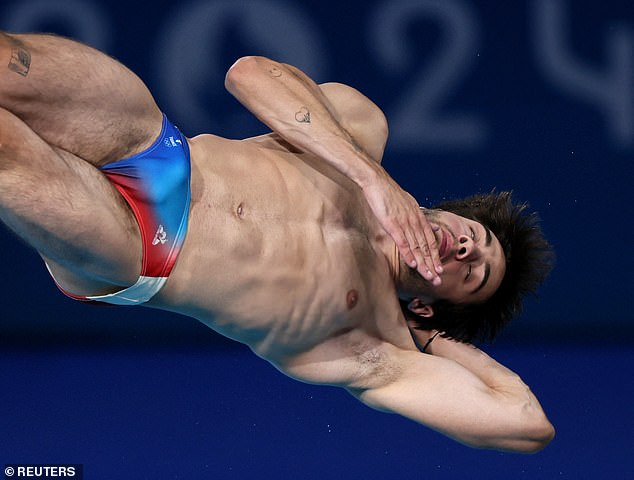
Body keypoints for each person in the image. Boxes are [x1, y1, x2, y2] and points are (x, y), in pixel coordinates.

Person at [0, 32, 555, 452]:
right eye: (476, 238)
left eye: (475, 273)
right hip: (157, 146)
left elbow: (526, 426)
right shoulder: (363, 134)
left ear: (431, 304)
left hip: (142, 251)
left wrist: (430, 337)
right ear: (449, 214)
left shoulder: (375, 347)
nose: (466, 249)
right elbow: (249, 73)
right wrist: (371, 178)